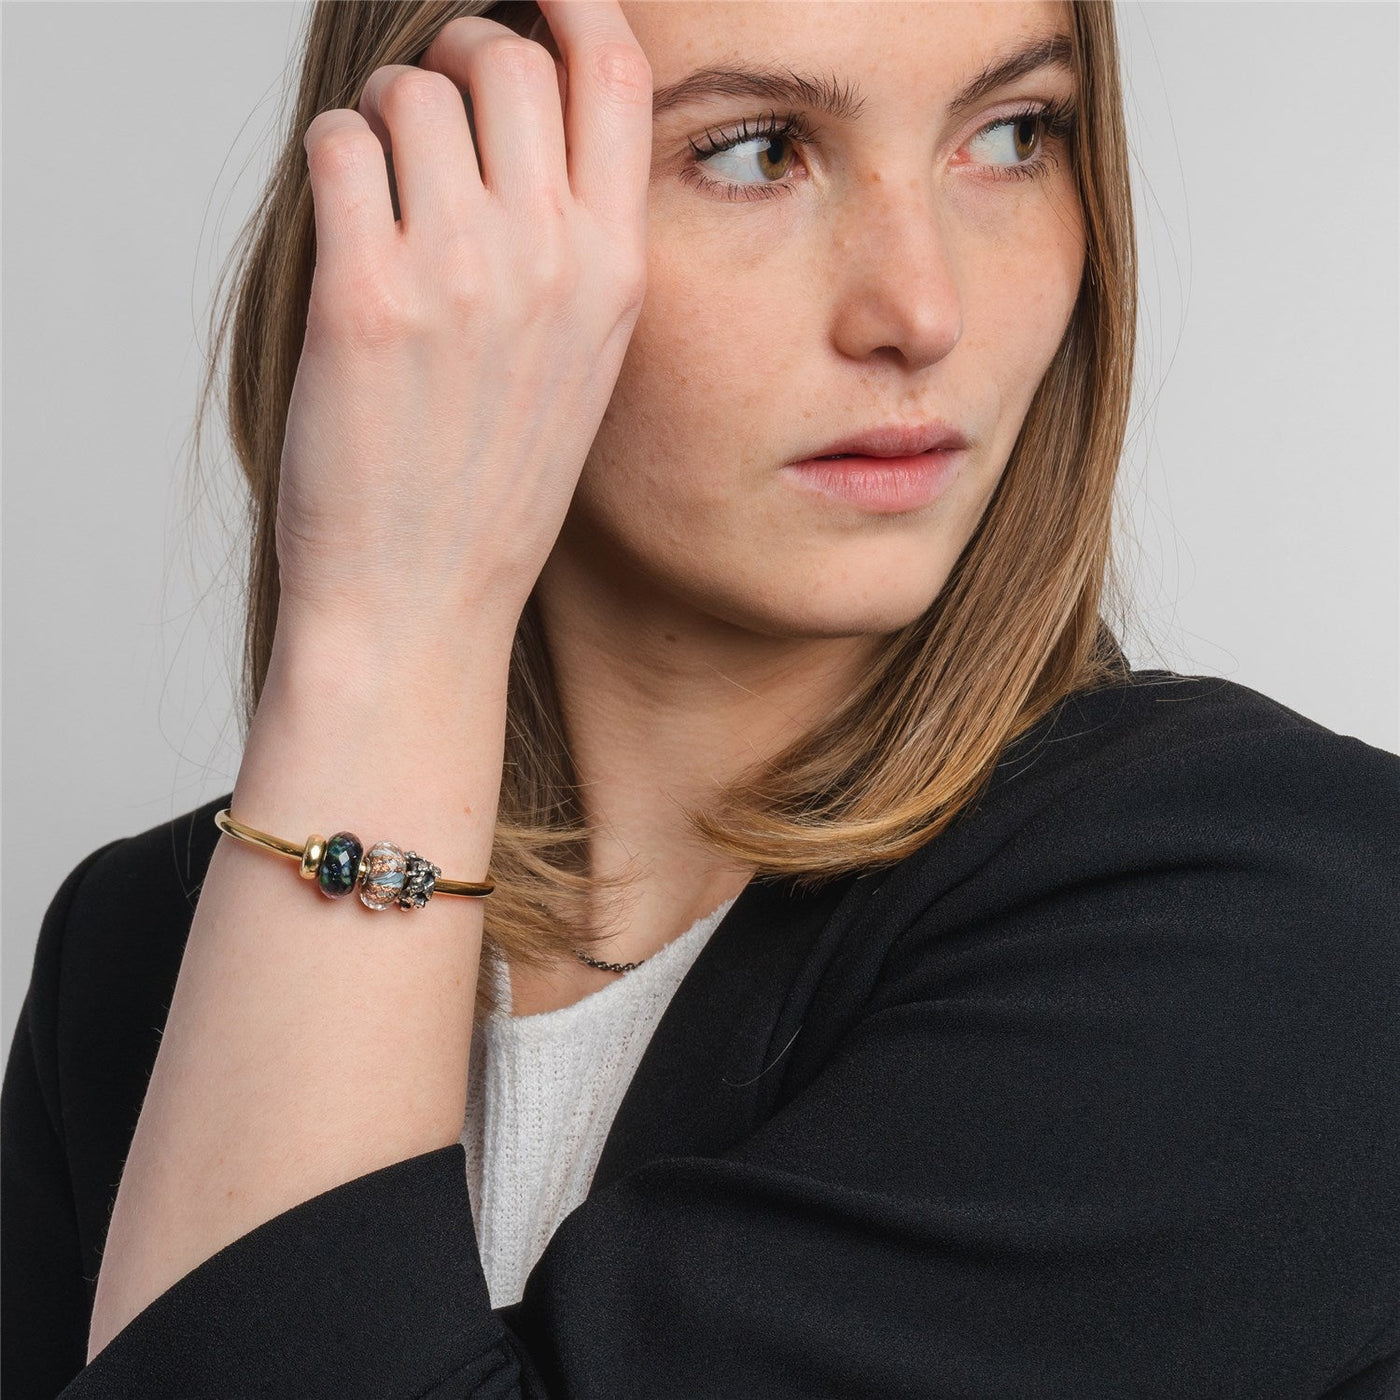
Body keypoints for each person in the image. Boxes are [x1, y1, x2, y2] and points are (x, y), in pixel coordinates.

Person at [3, 0, 1396, 1395]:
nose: (924, 309)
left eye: (1015, 133)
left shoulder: (1280, 920)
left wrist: (392, 609)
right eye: (754, 151)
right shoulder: (142, 958)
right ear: (437, 215)